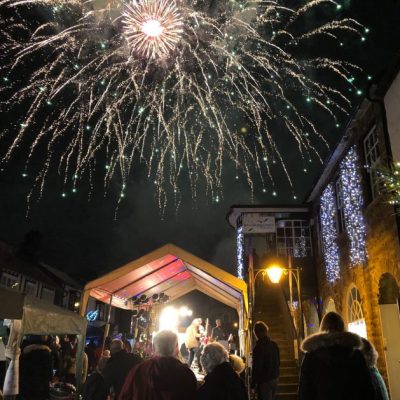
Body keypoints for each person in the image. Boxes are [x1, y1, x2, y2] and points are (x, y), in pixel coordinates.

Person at [298, 311, 376, 400]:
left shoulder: (311, 358)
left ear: (322, 329)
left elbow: (304, 393)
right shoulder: (356, 356)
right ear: (343, 328)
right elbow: (367, 391)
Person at [119, 330, 197, 400]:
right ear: (177, 347)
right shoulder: (186, 374)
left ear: (153, 348)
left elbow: (125, 396)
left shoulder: (138, 371)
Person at [251, 321, 280, 400]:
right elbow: (278, 361)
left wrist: (253, 384)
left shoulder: (258, 348)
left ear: (256, 333)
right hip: (275, 377)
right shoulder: (274, 345)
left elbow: (256, 366)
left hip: (264, 381)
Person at [19, 335, 53, 400]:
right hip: (41, 387)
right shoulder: (46, 352)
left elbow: (21, 368)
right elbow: (49, 373)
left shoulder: (24, 351)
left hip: (26, 386)